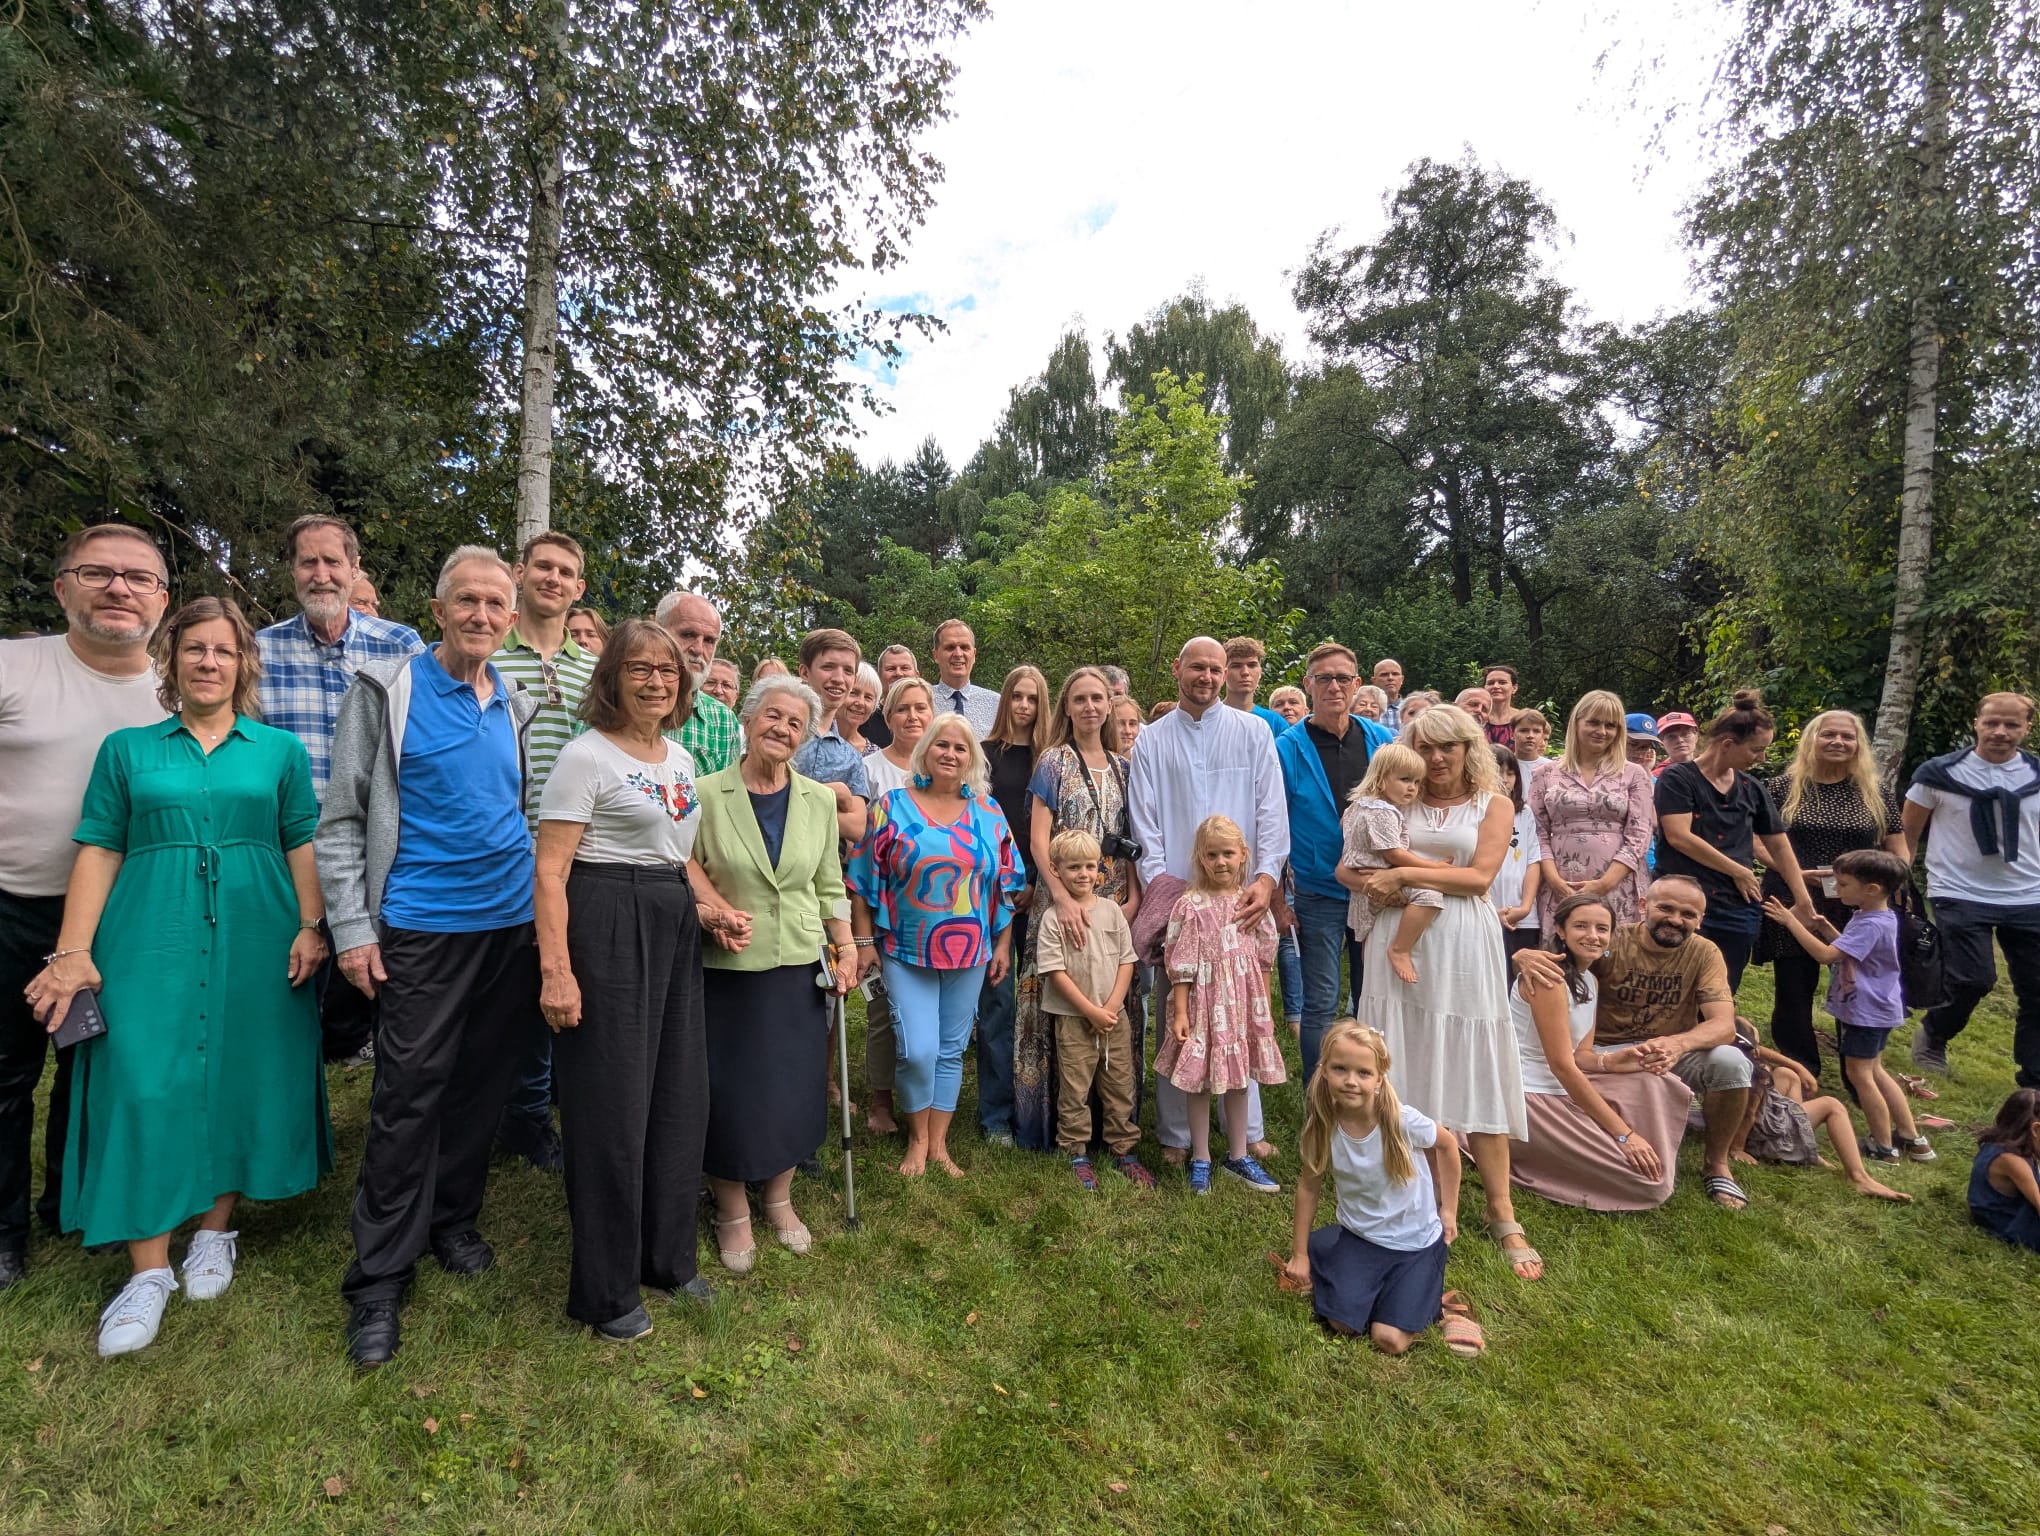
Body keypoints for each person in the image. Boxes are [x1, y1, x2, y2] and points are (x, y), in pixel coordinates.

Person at [24, 598, 330, 1356]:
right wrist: (73, 949)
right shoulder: (127, 750)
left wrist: (310, 924)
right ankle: (149, 1269)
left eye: (223, 650)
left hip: (259, 928)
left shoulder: (280, 751)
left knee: (240, 1070)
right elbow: (100, 846)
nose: (208, 662)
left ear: (243, 663)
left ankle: (216, 1230)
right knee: (142, 1078)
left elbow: (301, 839)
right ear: (171, 659)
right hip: (148, 932)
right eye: (194, 649)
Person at [318, 546, 544, 1368]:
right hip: (419, 926)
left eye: (495, 604)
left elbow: (518, 808)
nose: (481, 615)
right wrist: (353, 928)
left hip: (508, 928)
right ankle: (379, 1276)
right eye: (467, 601)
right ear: (439, 609)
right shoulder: (387, 691)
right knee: (408, 1094)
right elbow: (342, 818)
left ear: (511, 619)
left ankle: (451, 1218)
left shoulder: (514, 702)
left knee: (480, 1086)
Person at [532, 620, 728, 1339]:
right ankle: (606, 1291)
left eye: (667, 670)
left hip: (671, 923)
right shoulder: (584, 756)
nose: (655, 681)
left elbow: (676, 854)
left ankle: (667, 1259)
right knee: (611, 1107)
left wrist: (711, 907)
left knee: (679, 1095)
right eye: (639, 669)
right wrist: (557, 971)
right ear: (611, 677)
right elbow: (550, 870)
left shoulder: (679, 757)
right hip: (605, 919)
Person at [0, 523, 170, 1293]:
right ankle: (4, 1232)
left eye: (138, 578)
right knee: (8, 1072)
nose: (119, 589)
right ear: (63, 586)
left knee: (93, 1064)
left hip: (122, 916)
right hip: (15, 905)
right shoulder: (16, 666)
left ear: (161, 599)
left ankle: (70, 1203)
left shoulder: (176, 685)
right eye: (98, 572)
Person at [1350, 704, 1538, 1279]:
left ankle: (1501, 1209)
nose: (1435, 759)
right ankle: (1400, 1189)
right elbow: (1350, 867)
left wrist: (1405, 874)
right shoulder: (1393, 801)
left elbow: (1478, 878)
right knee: (1396, 1061)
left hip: (1462, 944)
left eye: (1447, 747)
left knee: (1475, 1063)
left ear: (1468, 748)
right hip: (1395, 936)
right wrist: (1373, 883)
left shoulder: (1493, 804)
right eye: (1424, 747)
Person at [690, 673, 859, 1275]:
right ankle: (731, 1205)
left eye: (795, 723)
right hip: (728, 963)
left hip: (799, 963)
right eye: (773, 715)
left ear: (805, 736)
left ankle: (779, 1197)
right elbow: (681, 862)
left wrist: (846, 946)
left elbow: (829, 884)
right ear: (748, 719)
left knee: (793, 1084)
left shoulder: (818, 800)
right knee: (730, 1088)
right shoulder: (705, 792)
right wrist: (712, 909)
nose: (782, 728)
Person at [256, 515, 426, 1069]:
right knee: (287, 988)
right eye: (308, 561)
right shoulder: (259, 652)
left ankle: (380, 1072)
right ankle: (289, 1088)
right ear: (292, 570)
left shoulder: (400, 645)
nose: (321, 574)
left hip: (377, 849)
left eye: (333, 561)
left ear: (355, 570)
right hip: (289, 850)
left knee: (380, 981)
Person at [1127, 637, 1288, 1165]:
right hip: (1180, 896)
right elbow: (1145, 820)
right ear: (1178, 669)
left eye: (1216, 669)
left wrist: (1265, 877)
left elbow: (1271, 809)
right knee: (1180, 1009)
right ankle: (1176, 1133)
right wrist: (1164, 890)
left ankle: (1247, 1128)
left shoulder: (1253, 731)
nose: (1208, 677)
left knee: (1241, 1006)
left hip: (1240, 895)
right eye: (1198, 667)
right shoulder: (1152, 739)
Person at [846, 715, 1024, 1177]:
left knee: (950, 1049)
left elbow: (1006, 885)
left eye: (960, 748)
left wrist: (1003, 944)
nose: (950, 754)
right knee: (917, 1050)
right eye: (942, 745)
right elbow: (862, 879)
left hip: (972, 952)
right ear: (925, 751)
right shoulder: (892, 806)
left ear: (972, 759)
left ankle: (938, 1144)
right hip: (905, 949)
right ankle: (917, 1138)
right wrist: (863, 942)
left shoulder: (989, 811)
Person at [1521, 873, 1757, 1210]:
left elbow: (1723, 1026)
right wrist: (1523, 956)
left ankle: (1717, 1163)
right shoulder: (1610, 940)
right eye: (1666, 908)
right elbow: (1564, 960)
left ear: (1700, 920)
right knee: (1639, 1085)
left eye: (1688, 914)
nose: (1676, 920)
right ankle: (1625, 1143)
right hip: (1601, 1051)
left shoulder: (1704, 953)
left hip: (1670, 1049)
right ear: (1643, 905)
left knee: (1731, 1062)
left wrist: (1677, 1045)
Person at [492, 532, 599, 1172]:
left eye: (566, 572)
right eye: (543, 567)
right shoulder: (488, 655)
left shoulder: (594, 671)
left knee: (553, 975)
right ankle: (495, 1105)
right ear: (520, 573)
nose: (553, 579)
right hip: (500, 850)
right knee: (500, 986)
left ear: (578, 588)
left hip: (575, 855)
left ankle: (531, 1114)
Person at [1280, 1021, 1479, 1357]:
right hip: (1360, 1237)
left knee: (1389, 1339)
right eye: (1340, 1069)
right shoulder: (1322, 1127)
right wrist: (1299, 1255)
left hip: (1415, 1242)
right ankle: (1346, 1267)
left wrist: (1448, 1209)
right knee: (1343, 1324)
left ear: (1379, 1079)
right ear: (1324, 1070)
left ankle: (1442, 1306)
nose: (1351, 1081)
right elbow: (1308, 1188)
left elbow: (1447, 1146)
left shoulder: (1401, 1120)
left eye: (1363, 1072)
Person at [1016, 667, 1141, 1154]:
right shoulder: (1054, 762)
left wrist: (1134, 896)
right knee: (1063, 1000)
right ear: (1067, 707)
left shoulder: (1123, 766)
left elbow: (1132, 839)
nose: (1090, 707)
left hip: (1112, 904)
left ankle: (1115, 1123)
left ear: (1110, 705)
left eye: (1098, 698)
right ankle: (1059, 1125)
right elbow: (1037, 839)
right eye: (1080, 699)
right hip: (1061, 899)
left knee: (1111, 995)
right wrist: (1062, 898)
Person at [1504, 895, 1687, 1212]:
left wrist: (1614, 1061)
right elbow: (1563, 1066)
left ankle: (1639, 1146)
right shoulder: (1548, 978)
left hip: (1564, 1084)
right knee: (1649, 1185)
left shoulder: (1590, 980)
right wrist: (1623, 1134)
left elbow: (1582, 1056)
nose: (1593, 935)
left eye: (1602, 929)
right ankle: (1505, 1148)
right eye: (1581, 926)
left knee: (1655, 1080)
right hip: (1529, 1092)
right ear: (1560, 930)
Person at [1753, 710, 1908, 1077]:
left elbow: (1899, 849)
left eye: (1847, 736)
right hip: (1793, 893)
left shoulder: (1876, 793)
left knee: (1857, 981)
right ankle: (1801, 1067)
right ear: (1812, 740)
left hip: (1858, 903)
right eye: (1829, 734)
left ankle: (1859, 1066)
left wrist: (1885, 883)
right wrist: (1790, 871)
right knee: (1794, 985)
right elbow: (1755, 839)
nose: (1838, 742)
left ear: (1858, 745)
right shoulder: (1780, 788)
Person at [1763, 849, 1936, 1163]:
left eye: (1843, 884)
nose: (1836, 889)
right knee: (1876, 1071)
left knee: (1860, 1076)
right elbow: (1850, 949)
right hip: (1877, 1008)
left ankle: (1883, 1147)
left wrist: (1791, 922)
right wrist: (1823, 927)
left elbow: (1826, 956)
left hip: (1865, 1012)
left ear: (1871, 889)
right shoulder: (1873, 916)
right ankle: (1913, 1139)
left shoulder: (1871, 923)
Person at [1273, 643, 1394, 1087]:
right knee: (1321, 1001)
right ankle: (1319, 1097)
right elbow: (1272, 827)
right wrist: (1277, 900)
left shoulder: (1381, 742)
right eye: (1323, 678)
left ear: (1358, 684)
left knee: (1373, 997)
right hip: (1318, 891)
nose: (1334, 687)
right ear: (1308, 685)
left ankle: (1370, 1093)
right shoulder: (1288, 749)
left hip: (1376, 890)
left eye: (1343, 678)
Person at [1903, 691, 2040, 1084]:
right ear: (1976, 723)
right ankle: (1934, 1034)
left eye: (2011, 724)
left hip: (2029, 894)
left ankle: (2033, 1078)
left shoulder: (2036, 775)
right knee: (1972, 979)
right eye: (1992, 722)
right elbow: (1907, 833)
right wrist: (1899, 882)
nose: (2000, 731)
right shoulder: (1938, 774)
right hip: (1958, 891)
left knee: (2037, 988)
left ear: (2027, 728)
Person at [1155, 816, 1284, 1194]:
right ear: (1200, 858)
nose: (1220, 862)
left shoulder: (1251, 904)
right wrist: (1181, 1012)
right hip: (1203, 1007)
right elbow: (1181, 965)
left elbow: (1263, 961)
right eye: (1212, 855)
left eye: (1228, 853)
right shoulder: (1190, 906)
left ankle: (1239, 1155)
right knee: (1199, 1082)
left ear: (1243, 855)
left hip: (1241, 1008)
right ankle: (1201, 1156)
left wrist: (1264, 1008)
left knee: (1239, 1080)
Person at [1655, 690, 1816, 991]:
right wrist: (1737, 870)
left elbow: (1779, 844)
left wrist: (1803, 899)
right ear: (1728, 744)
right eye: (1757, 749)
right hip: (1681, 903)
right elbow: (1679, 837)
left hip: (1736, 909)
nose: (1762, 758)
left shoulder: (1752, 788)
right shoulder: (1677, 778)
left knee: (1721, 990)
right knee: (1671, 989)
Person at [1034, 829, 1149, 1190]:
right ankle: (1075, 1151)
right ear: (1056, 870)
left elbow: (1127, 960)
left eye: (1089, 866)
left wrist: (1111, 1007)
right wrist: (1090, 1011)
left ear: (1100, 866)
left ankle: (1123, 1149)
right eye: (1073, 867)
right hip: (1074, 1020)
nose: (1083, 874)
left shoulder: (1112, 911)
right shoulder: (1053, 918)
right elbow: (1055, 972)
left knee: (1120, 1085)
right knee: (1074, 1088)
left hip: (1114, 1018)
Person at [975, 665, 1050, 1146]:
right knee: (998, 1005)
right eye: (1017, 697)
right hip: (991, 894)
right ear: (1005, 700)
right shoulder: (983, 755)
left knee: (1041, 1003)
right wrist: (1005, 885)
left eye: (1033, 698)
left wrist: (1037, 882)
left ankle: (1038, 1109)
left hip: (1042, 890)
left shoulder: (1051, 758)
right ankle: (996, 1114)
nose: (1024, 706)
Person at [859, 675, 936, 1135]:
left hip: (934, 917)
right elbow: (860, 845)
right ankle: (881, 1101)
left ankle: (923, 1102)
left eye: (920, 707)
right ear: (887, 718)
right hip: (884, 909)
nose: (912, 716)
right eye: (902, 709)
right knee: (882, 1009)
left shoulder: (943, 767)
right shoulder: (871, 769)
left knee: (927, 1015)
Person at [1732, 1024, 1911, 1201]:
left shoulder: (1733, 1054)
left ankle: (1800, 1143)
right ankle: (1859, 1178)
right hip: (1760, 1138)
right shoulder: (1758, 1073)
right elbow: (1749, 1114)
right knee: (1832, 1105)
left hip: (1758, 1125)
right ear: (1754, 1050)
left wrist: (1798, 1067)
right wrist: (1737, 1149)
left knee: (1787, 1075)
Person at [1529, 690, 1655, 935]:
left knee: (1616, 951)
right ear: (1577, 723)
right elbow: (1536, 833)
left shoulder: (1634, 774)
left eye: (1611, 725)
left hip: (1618, 883)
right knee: (1560, 950)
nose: (1602, 731)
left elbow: (1640, 834)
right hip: (1560, 884)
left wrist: (1605, 883)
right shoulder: (1545, 774)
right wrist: (1555, 881)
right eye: (1594, 722)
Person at [1337, 744, 1447, 985]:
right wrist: (1433, 868)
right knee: (1430, 896)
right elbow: (1394, 854)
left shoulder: (1358, 805)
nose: (1412, 788)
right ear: (1380, 778)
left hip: (1362, 880)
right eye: (1405, 779)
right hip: (1379, 877)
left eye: (1417, 782)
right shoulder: (1382, 812)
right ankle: (1400, 948)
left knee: (1368, 951)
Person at [791, 628, 871, 846]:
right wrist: (836, 794)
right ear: (804, 672)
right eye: (828, 667)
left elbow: (856, 827)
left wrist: (793, 801)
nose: (838, 678)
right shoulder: (782, 733)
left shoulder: (850, 756)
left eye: (848, 671)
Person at [656, 591, 741, 776]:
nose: (698, 649)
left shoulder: (723, 720)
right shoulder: (617, 700)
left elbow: (727, 791)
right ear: (658, 632)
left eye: (709, 640)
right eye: (688, 634)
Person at [1969, 1088, 2040, 1252]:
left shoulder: (1995, 1146)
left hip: (1996, 1213)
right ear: (2036, 1130)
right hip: (2011, 1224)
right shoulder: (2013, 1162)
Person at [1489, 747, 1544, 960]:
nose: (1504, 779)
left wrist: (1525, 907)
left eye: (1510, 773)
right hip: (1486, 912)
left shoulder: (1524, 813)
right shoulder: (1473, 811)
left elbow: (1533, 861)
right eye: (1497, 772)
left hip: (1522, 918)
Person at [929, 619, 999, 736]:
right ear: (935, 655)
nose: (958, 654)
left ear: (974, 654)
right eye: (950, 647)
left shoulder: (996, 704)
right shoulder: (922, 701)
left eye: (964, 647)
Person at [1223, 636, 1290, 738]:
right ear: (1223, 672)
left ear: (1260, 672)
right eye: (1236, 666)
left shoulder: (1275, 723)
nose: (1245, 672)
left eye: (1252, 665)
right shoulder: (1208, 716)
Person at [837, 663, 881, 756]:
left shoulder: (874, 755)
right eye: (853, 693)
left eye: (868, 697)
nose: (861, 703)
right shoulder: (811, 736)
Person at [1482, 665, 1519, 746]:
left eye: (1502, 682)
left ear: (1514, 688)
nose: (1495, 686)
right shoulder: (1477, 719)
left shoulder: (1523, 719)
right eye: (1490, 683)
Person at [1656, 711, 1698, 776]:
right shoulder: (1657, 777)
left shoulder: (1709, 768)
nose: (1680, 740)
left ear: (1696, 736)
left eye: (1685, 734)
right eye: (1671, 737)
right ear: (1661, 743)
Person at [1371, 658, 1407, 731]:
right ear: (1374, 681)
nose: (1390, 678)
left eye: (1395, 674)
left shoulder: (1412, 710)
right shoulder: (1366, 711)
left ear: (1402, 680)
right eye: (1384, 675)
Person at [1511, 710, 1551, 775]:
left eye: (1536, 731)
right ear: (1512, 734)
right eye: (1523, 731)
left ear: (1542, 735)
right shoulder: (1502, 765)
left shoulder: (1551, 768)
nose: (1530, 735)